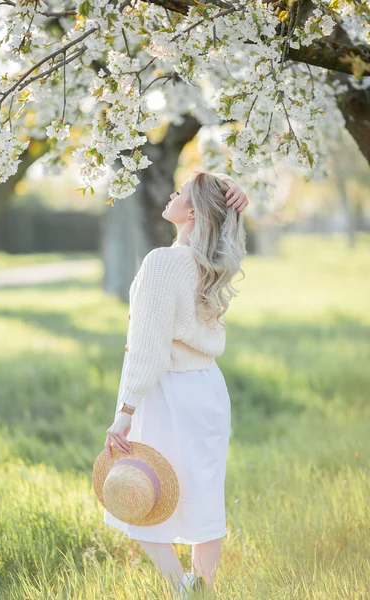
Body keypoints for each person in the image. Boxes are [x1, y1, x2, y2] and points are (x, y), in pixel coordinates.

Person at [103, 170, 248, 597]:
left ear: (191, 211)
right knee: (204, 494)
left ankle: (180, 585)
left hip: (169, 392)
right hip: (208, 390)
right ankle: (204, 586)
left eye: (180, 191)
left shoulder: (162, 263)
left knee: (140, 491)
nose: (171, 193)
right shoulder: (211, 263)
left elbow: (148, 349)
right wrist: (237, 194)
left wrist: (123, 413)